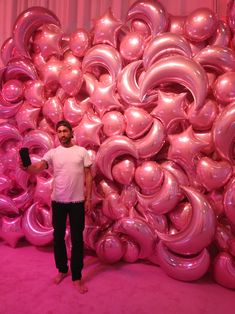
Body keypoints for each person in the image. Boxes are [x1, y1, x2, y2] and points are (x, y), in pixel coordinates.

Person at [20, 120, 93, 294]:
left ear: (71, 133)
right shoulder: (53, 153)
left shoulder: (82, 152)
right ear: (57, 135)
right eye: (59, 131)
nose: (62, 134)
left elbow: (89, 176)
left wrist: (88, 198)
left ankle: (77, 276)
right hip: (58, 202)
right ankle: (62, 269)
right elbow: (37, 167)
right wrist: (27, 168)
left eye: (65, 131)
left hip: (77, 203)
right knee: (58, 238)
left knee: (77, 240)